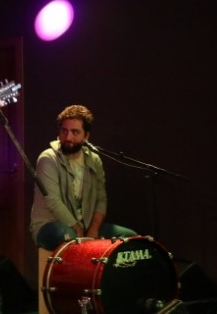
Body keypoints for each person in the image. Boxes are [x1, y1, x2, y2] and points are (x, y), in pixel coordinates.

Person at [30, 104, 137, 251]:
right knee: (70, 239)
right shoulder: (48, 158)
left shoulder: (94, 160)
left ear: (86, 136)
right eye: (64, 131)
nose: (68, 137)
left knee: (131, 238)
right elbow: (53, 201)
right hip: (50, 225)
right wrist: (77, 229)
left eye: (75, 132)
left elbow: (101, 198)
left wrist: (94, 229)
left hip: (85, 227)